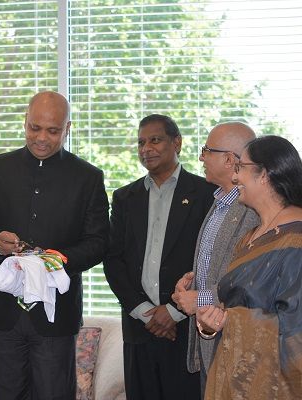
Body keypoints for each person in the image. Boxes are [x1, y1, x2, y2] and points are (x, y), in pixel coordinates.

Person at [0, 91, 109, 400]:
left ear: (67, 129)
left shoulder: (88, 177)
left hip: (56, 314)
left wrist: (58, 260)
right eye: (34, 128)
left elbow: (99, 242)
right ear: (25, 122)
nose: (42, 138)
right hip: (2, 311)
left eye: (53, 131)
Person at [103, 114, 215, 400]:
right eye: (141, 143)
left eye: (155, 140)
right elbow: (113, 260)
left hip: (186, 329)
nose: (146, 149)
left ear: (177, 143)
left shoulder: (206, 194)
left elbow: (211, 262)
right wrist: (145, 312)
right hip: (139, 329)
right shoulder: (125, 197)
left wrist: (174, 311)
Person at [196, 135, 302, 399]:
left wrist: (232, 321)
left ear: (263, 175)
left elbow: (296, 330)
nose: (235, 177)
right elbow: (235, 302)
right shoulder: (250, 237)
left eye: (240, 167)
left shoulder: (296, 240)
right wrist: (212, 322)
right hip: (236, 377)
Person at [171, 122, 258, 394]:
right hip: (210, 342)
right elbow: (218, 265)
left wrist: (200, 298)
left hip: (239, 349)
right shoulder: (219, 201)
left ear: (230, 160)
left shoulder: (253, 209)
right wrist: (191, 286)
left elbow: (250, 281)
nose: (201, 157)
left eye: (207, 150)